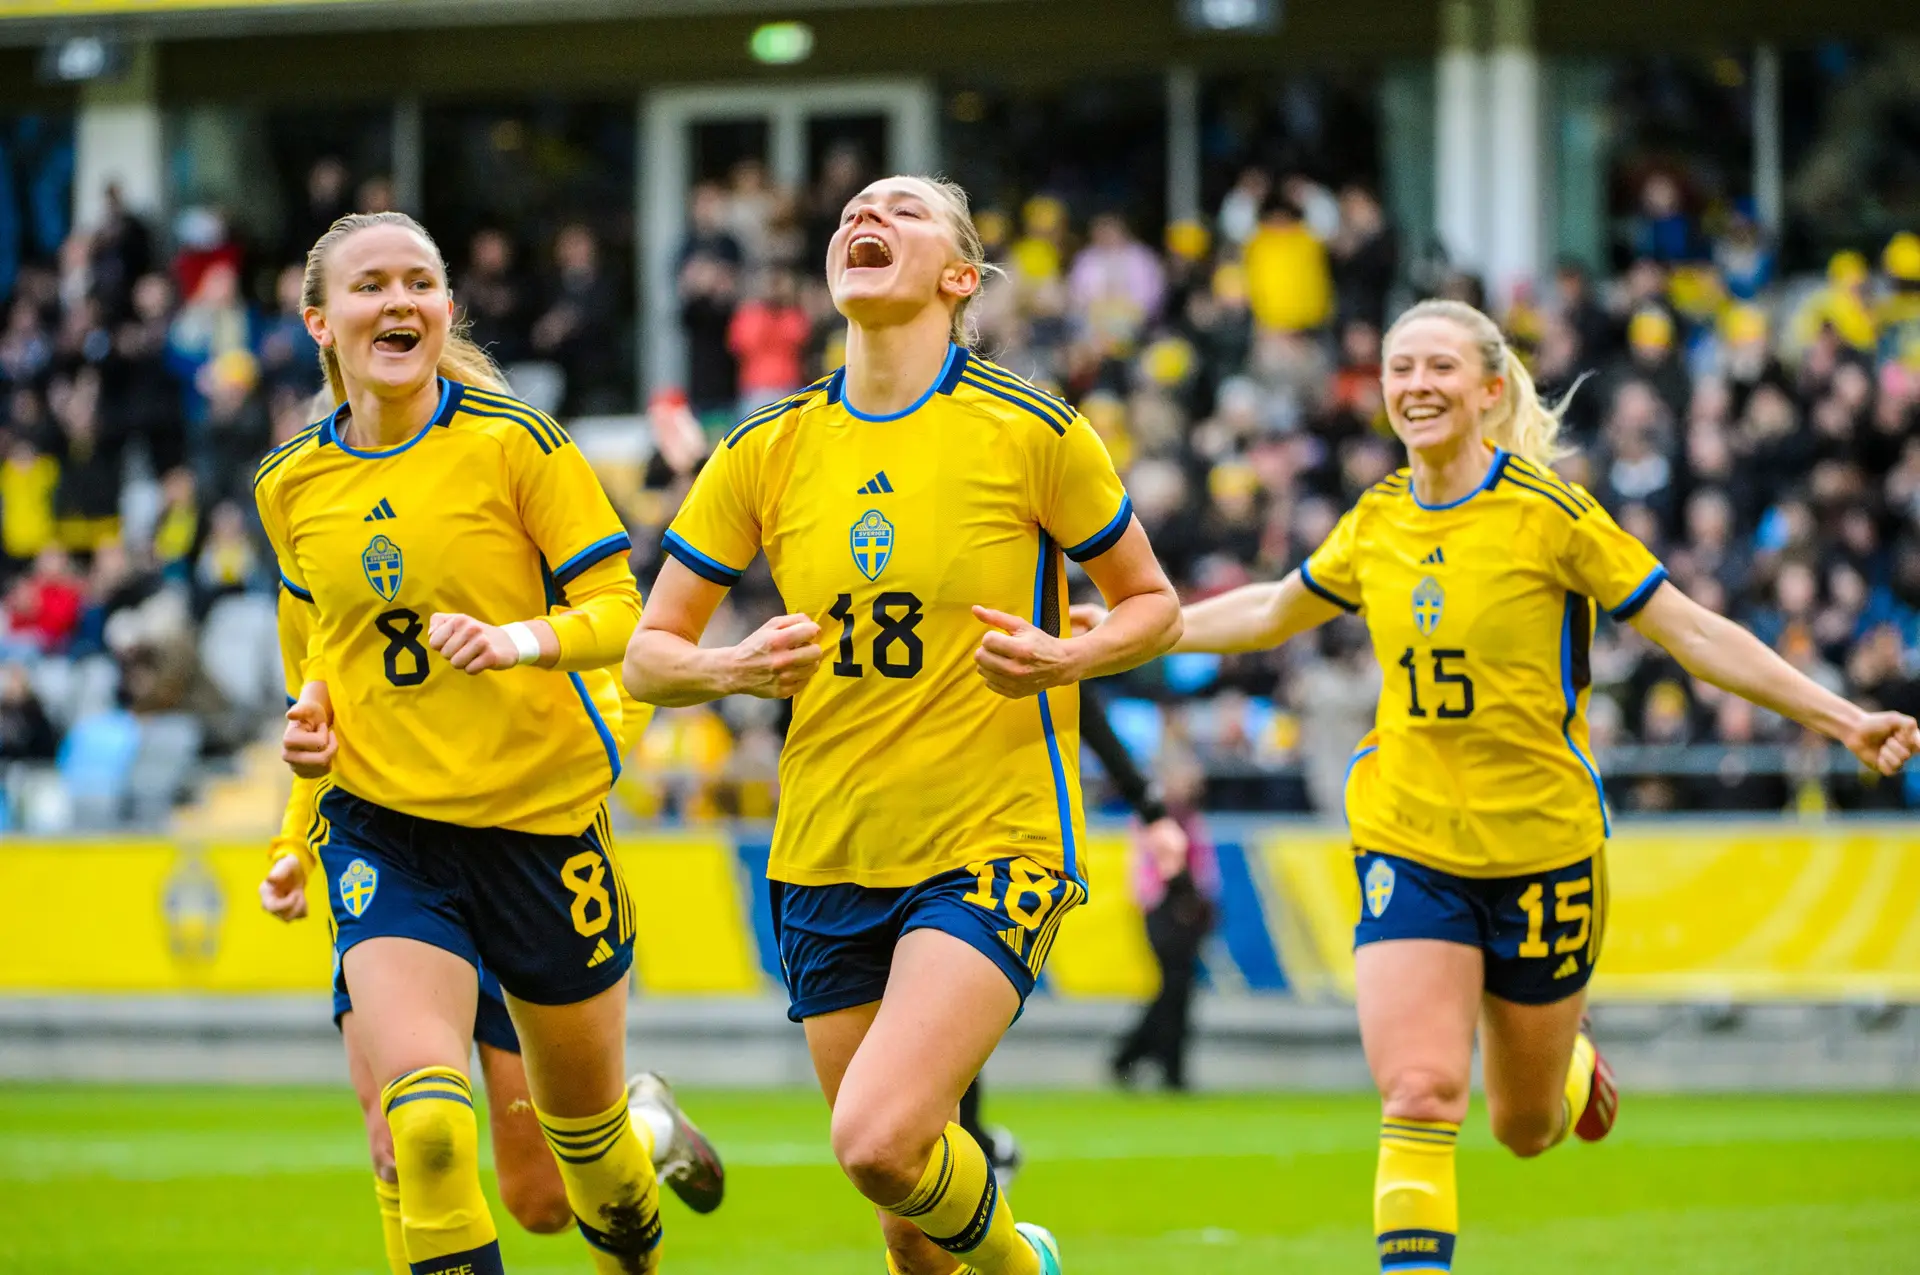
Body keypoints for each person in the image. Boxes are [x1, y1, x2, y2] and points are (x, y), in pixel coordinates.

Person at [1152, 297, 1919, 1274]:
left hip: (1543, 852)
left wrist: (1843, 715)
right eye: (1400, 368)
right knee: (1422, 1093)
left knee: (1522, 1125)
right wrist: (1122, 631)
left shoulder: (1549, 514)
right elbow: (1267, 609)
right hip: (1410, 838)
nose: (1416, 386)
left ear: (1488, 389)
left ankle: (1572, 1070)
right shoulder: (1377, 518)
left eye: (1438, 368)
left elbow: (1691, 630)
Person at [626, 175, 1182, 1275]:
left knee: (880, 1144)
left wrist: (1069, 654)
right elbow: (648, 655)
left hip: (991, 840)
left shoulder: (1032, 430)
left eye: (902, 211)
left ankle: (1024, 1262)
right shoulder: (766, 444)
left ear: (958, 276)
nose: (862, 220)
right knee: (906, 1226)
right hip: (826, 852)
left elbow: (1154, 606)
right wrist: (731, 666)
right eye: (849, 216)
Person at [256, 210, 721, 1275]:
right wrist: (296, 824)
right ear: (322, 320)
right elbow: (313, 677)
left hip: (536, 828)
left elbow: (623, 612)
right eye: (372, 285)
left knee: (558, 1187)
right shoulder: (289, 486)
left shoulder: (517, 444)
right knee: (415, 1130)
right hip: (388, 836)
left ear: (447, 308)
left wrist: (519, 641)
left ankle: (639, 1136)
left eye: (421, 281)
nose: (401, 301)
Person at [257, 567, 706, 1275]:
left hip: (515, 865)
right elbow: (319, 716)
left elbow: (614, 658)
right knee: (405, 1141)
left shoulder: (505, 503)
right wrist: (293, 848)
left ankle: (648, 1127)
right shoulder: (313, 525)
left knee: (543, 1199)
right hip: (388, 861)